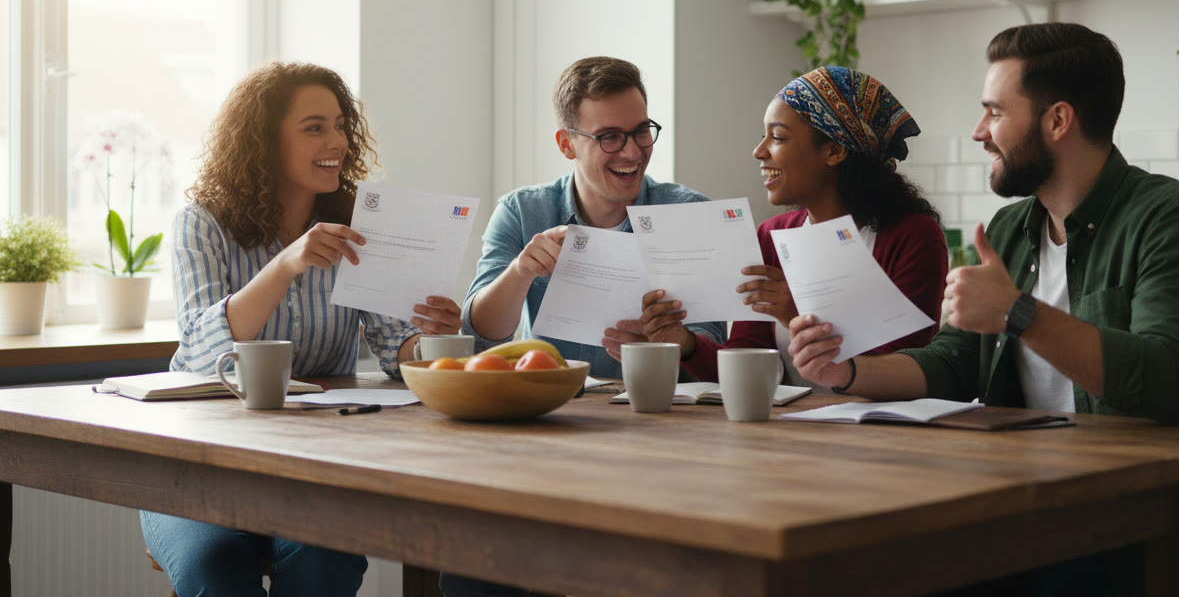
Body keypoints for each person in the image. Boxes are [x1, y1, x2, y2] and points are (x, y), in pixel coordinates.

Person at [789, 23, 1179, 596]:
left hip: (1145, 536)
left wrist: (1018, 313)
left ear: (1057, 121)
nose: (980, 132)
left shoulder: (1173, 223)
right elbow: (956, 362)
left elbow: (1170, 379)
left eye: (995, 113)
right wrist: (848, 372)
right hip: (1028, 520)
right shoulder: (1011, 229)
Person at [142, 62, 463, 597]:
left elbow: (394, 347)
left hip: (313, 470)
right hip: (198, 464)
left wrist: (432, 338)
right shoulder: (201, 222)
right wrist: (284, 265)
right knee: (215, 566)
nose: (336, 140)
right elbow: (202, 348)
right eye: (314, 127)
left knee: (329, 559)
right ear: (263, 142)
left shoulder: (364, 224)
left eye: (340, 125)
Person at [447, 56, 726, 596]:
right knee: (474, 564)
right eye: (610, 137)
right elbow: (481, 332)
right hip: (545, 430)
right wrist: (519, 271)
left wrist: (674, 341)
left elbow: (715, 343)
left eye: (642, 132)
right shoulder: (523, 212)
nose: (632, 152)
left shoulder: (687, 212)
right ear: (566, 142)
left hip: (660, 441)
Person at [601, 66, 947, 389]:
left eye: (777, 138)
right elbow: (745, 364)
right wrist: (684, 342)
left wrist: (797, 314)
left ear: (834, 150)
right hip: (784, 435)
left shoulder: (913, 236)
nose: (758, 151)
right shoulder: (771, 235)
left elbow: (906, 371)